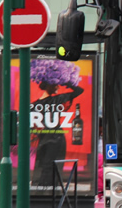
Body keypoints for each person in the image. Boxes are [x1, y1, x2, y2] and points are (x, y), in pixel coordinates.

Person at [30, 59, 85, 187]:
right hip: (48, 137)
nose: (58, 86)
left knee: (52, 164)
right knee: (43, 163)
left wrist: (65, 79)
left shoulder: (55, 99)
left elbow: (79, 91)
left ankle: (48, 187)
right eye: (56, 84)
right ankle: (42, 187)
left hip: (55, 138)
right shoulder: (35, 104)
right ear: (49, 84)